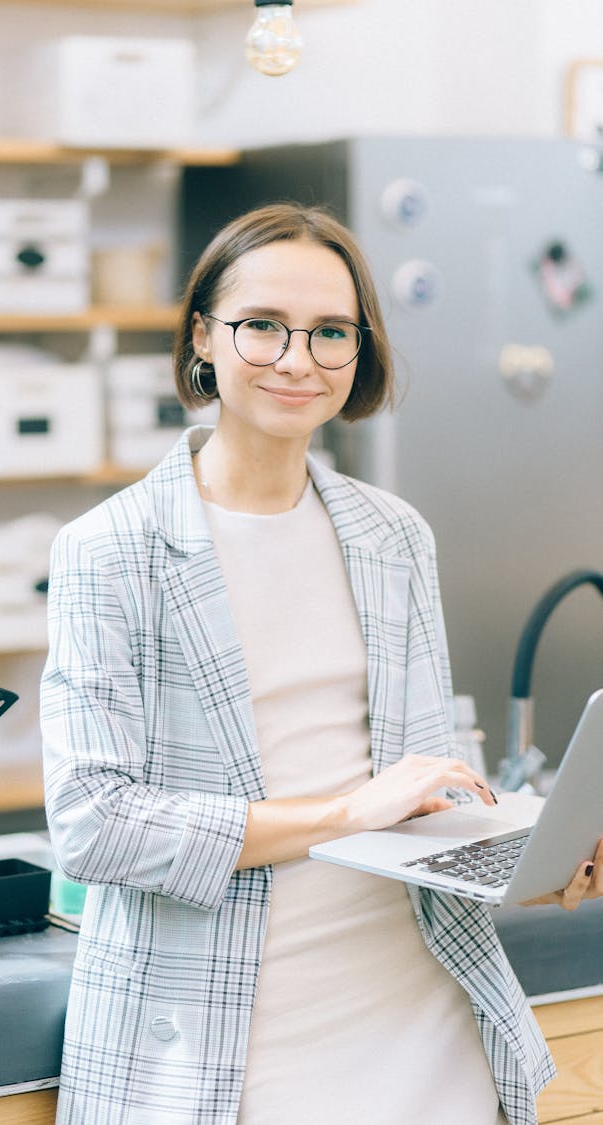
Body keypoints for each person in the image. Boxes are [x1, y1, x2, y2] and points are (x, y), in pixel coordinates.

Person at [41, 202, 601, 1125]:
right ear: (204, 339)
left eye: (331, 331)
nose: (297, 359)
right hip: (225, 1032)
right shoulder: (111, 549)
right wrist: (343, 813)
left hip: (425, 1012)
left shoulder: (393, 534)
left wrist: (537, 857)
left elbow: (428, 788)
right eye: (263, 326)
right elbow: (95, 825)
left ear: (359, 350)